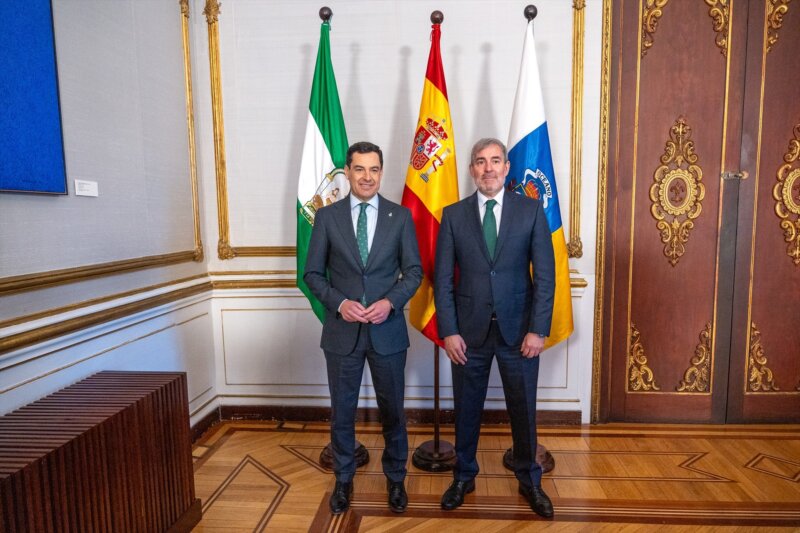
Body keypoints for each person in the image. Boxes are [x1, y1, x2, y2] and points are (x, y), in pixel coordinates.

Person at [433, 138, 556, 518]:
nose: (488, 168)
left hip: (520, 334)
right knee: (466, 410)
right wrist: (449, 331)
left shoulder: (531, 211)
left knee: (524, 411)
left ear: (506, 168)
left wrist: (538, 330)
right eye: (480, 162)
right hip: (467, 335)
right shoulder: (453, 215)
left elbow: (546, 277)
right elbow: (442, 281)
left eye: (495, 161)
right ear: (472, 169)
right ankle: (463, 476)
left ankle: (529, 481)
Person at [304, 141, 422, 515]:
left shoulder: (400, 217)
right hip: (342, 333)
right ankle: (343, 480)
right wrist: (340, 303)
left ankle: (396, 480)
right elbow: (311, 274)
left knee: (393, 411)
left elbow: (415, 272)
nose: (367, 177)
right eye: (359, 169)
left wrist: (390, 302)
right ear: (349, 172)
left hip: (388, 333)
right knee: (342, 410)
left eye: (374, 169)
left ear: (381, 172)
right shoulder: (327, 217)